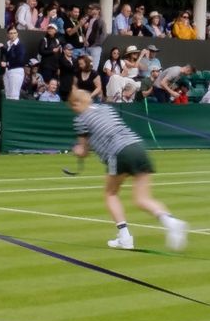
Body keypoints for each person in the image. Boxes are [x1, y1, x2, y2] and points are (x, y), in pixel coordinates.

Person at [68, 87, 188, 251]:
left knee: (110, 193)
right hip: (137, 147)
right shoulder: (106, 108)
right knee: (142, 199)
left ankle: (125, 237)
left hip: (118, 152)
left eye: (73, 106)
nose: (74, 110)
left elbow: (83, 151)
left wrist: (76, 151)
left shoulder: (81, 119)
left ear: (78, 103)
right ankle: (171, 222)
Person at [0, 27, 27, 101]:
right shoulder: (9, 45)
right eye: (11, 33)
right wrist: (2, 48)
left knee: (14, 95)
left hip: (16, 71)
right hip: (8, 71)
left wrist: (7, 64)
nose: (13, 35)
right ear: (8, 35)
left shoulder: (20, 45)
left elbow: (20, 60)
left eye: (15, 33)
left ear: (17, 34)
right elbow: (9, 55)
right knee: (8, 94)